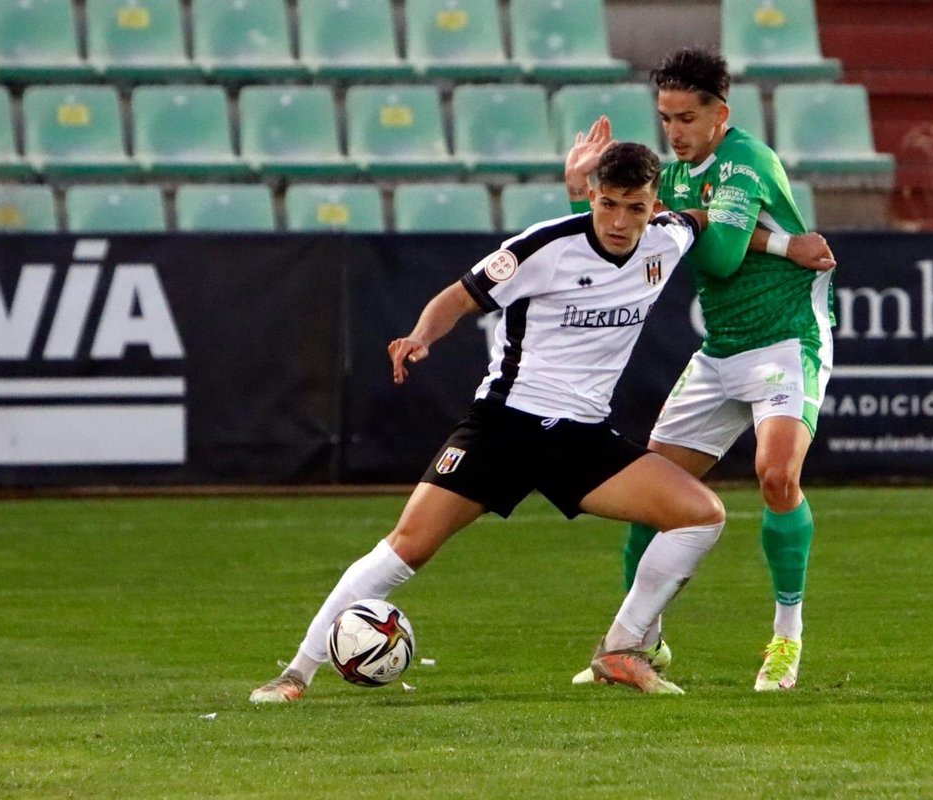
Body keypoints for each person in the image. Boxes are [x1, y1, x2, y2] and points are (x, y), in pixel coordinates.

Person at [250, 143, 726, 702]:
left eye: (636, 208)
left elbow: (708, 215)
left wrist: (782, 237)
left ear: (654, 205)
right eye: (610, 204)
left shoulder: (666, 242)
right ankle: (296, 673)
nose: (621, 221)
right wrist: (420, 337)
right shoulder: (545, 246)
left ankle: (619, 648)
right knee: (408, 546)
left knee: (700, 515)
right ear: (592, 196)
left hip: (582, 436)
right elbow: (457, 297)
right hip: (506, 424)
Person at [565, 48, 837, 692]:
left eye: (687, 117)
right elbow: (617, 244)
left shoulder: (746, 162)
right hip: (719, 351)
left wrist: (716, 227)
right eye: (665, 118)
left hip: (782, 341)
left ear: (721, 114)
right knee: (650, 497)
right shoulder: (673, 175)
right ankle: (638, 643)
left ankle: (785, 641)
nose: (675, 132)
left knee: (776, 477)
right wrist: (580, 191)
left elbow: (715, 260)